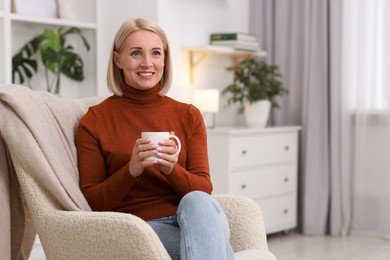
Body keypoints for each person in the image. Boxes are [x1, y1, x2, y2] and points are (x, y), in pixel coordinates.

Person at [76, 17, 235, 260]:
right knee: (210, 249)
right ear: (118, 59)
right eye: (136, 53)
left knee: (196, 201)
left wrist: (172, 169)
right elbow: (93, 201)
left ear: (165, 60)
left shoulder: (188, 115)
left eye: (156, 53)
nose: (147, 63)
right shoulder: (94, 120)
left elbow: (204, 189)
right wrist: (131, 170)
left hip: (196, 217)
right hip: (142, 227)